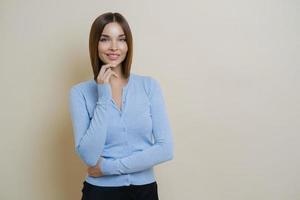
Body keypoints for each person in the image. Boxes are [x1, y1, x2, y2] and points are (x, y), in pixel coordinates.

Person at [69, 12, 174, 200]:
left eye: (121, 39)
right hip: (100, 193)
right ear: (95, 44)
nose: (114, 47)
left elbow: (165, 149)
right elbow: (89, 156)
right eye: (105, 39)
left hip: (145, 192)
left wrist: (108, 168)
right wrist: (103, 96)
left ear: (128, 45)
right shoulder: (80, 93)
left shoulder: (149, 86)